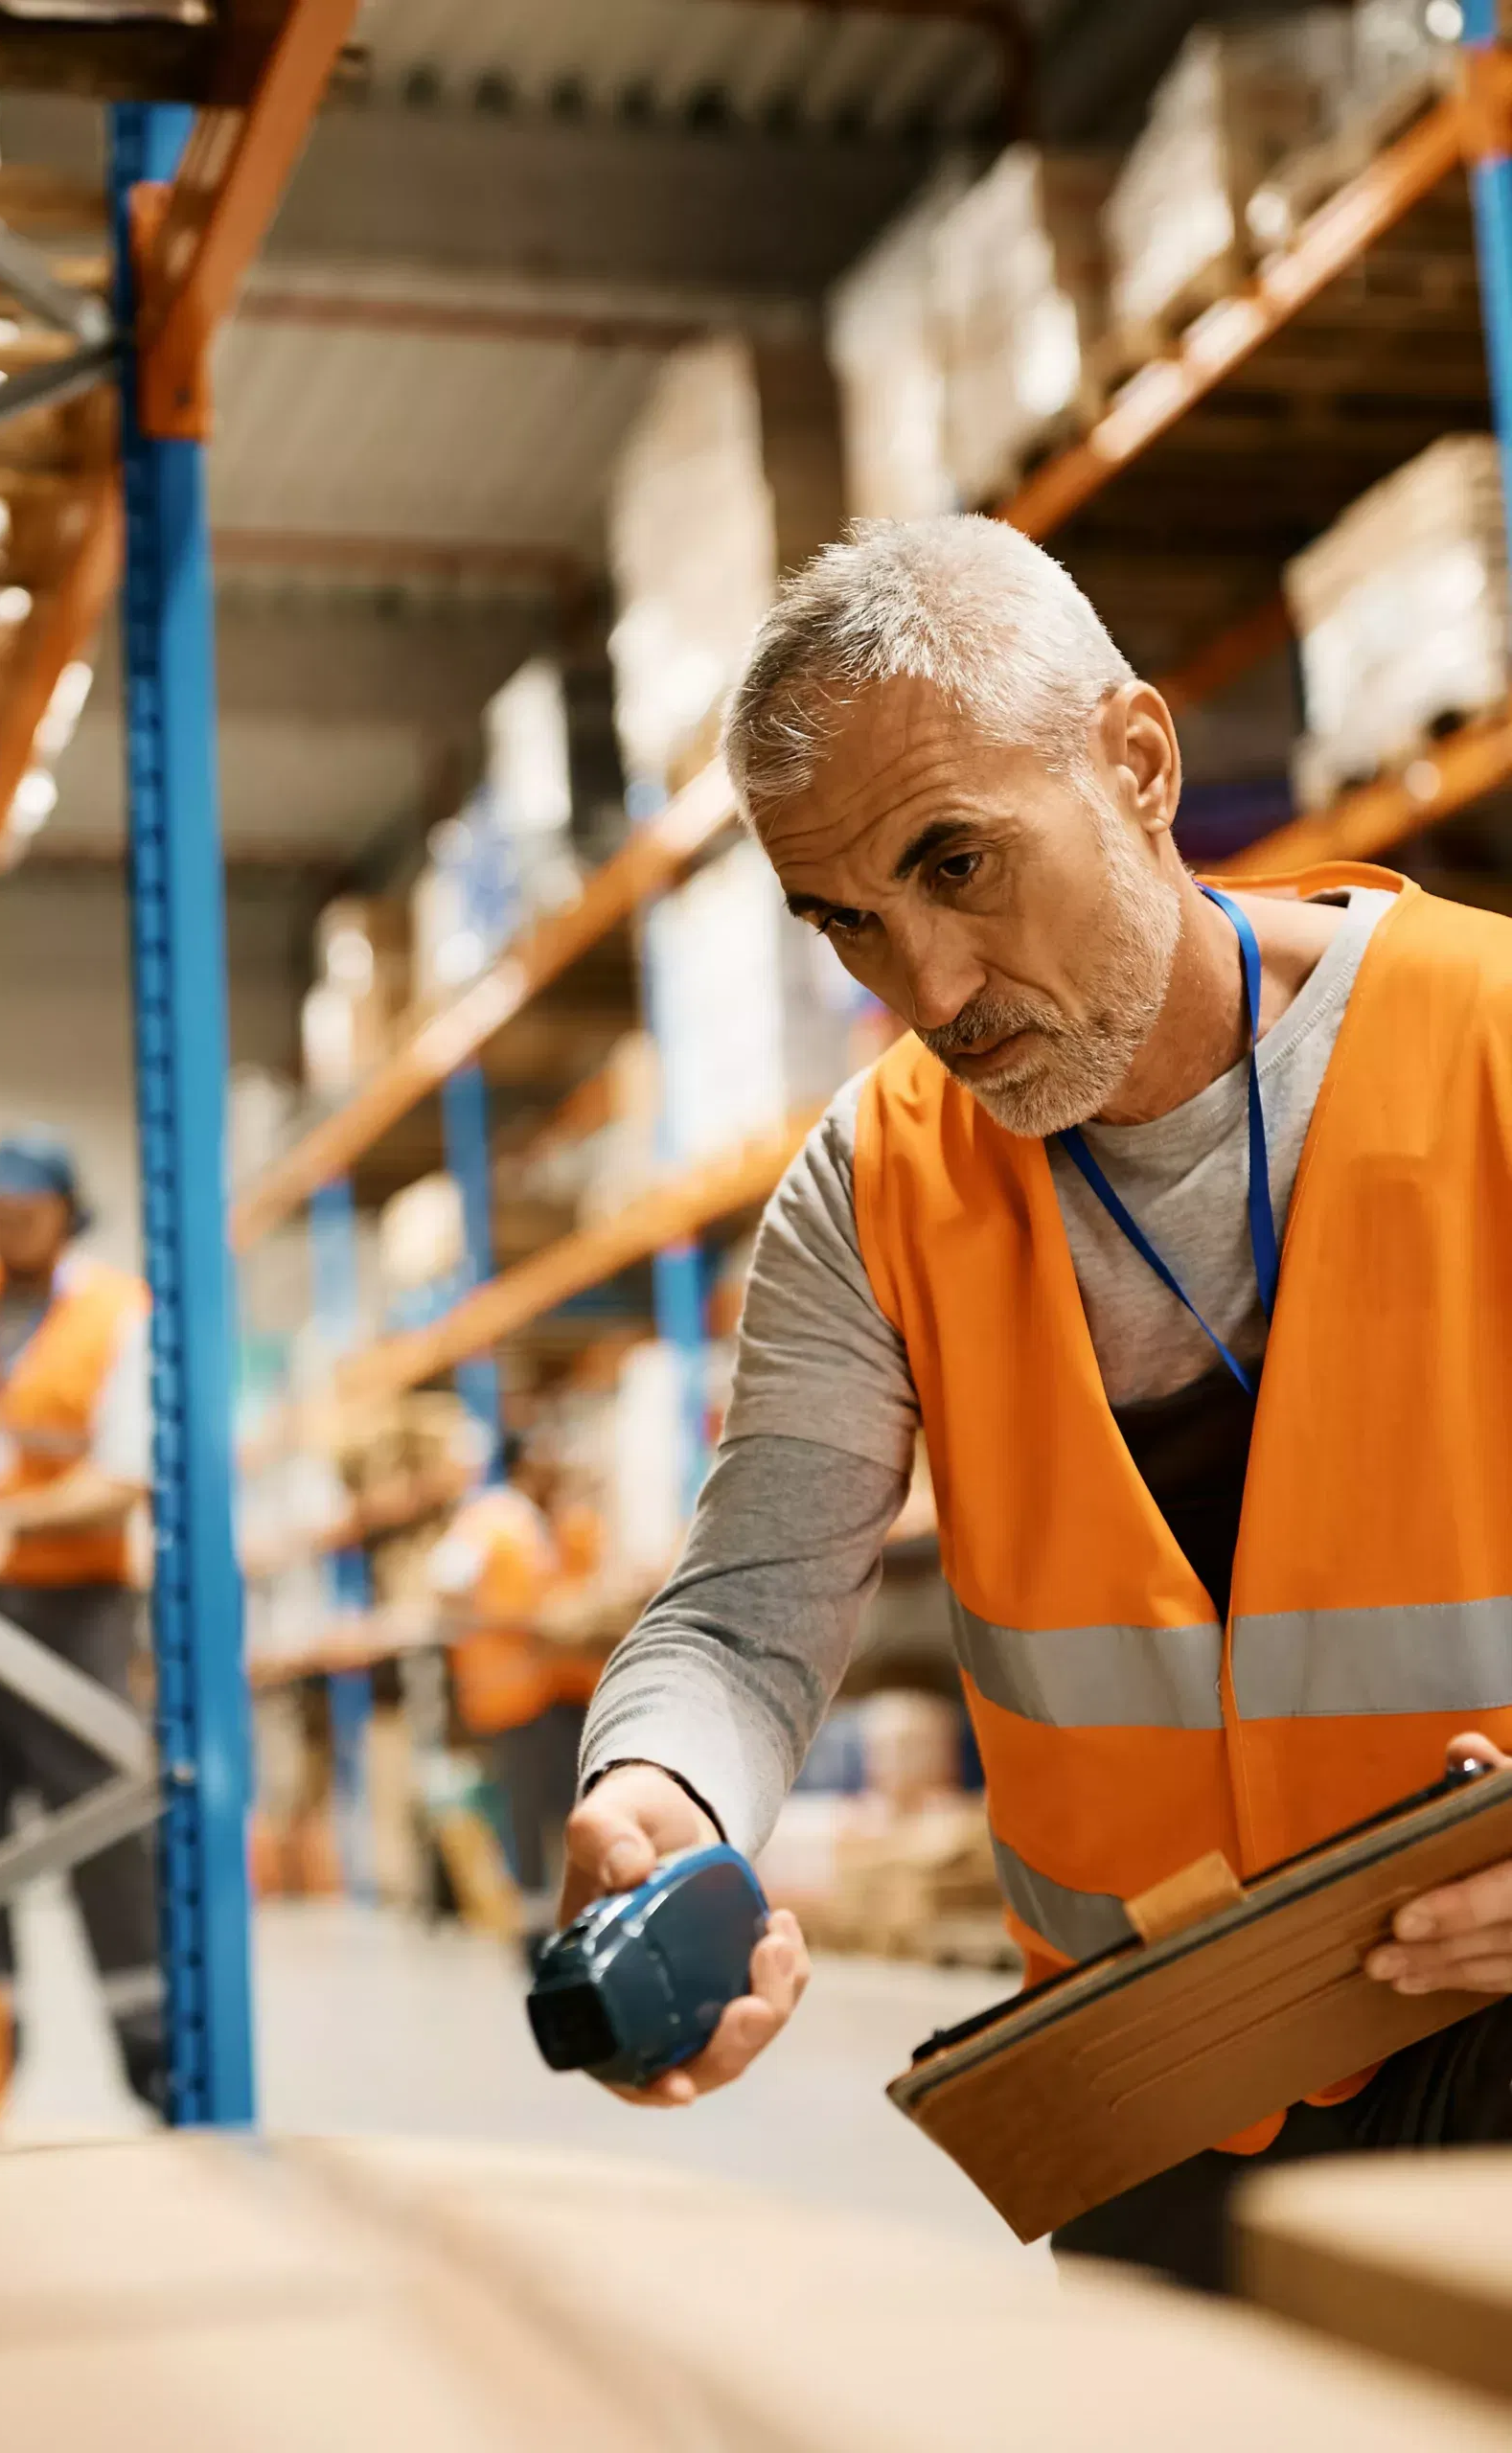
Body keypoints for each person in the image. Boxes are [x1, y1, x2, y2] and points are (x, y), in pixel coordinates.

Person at [561, 513, 1512, 2293]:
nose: (925, 991)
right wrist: (661, 1792)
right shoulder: (876, 1191)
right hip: (1151, 2090)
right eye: (850, 922)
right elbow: (749, 1605)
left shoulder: (1496, 1048)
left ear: (1136, 761)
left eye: (960, 866)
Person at [0, 1129, 167, 2120]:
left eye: (27, 1203)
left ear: (66, 1208)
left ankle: (153, 2054)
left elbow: (123, 1478)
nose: (9, 1219)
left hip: (76, 1613)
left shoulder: (116, 1313)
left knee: (103, 1829)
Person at [427, 1437, 585, 1909]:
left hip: (533, 1689)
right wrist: (499, 1621)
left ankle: (548, 1915)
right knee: (528, 1815)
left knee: (544, 1808)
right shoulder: (496, 1518)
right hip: (509, 1691)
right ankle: (536, 1927)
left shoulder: (519, 1519)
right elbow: (445, 1582)